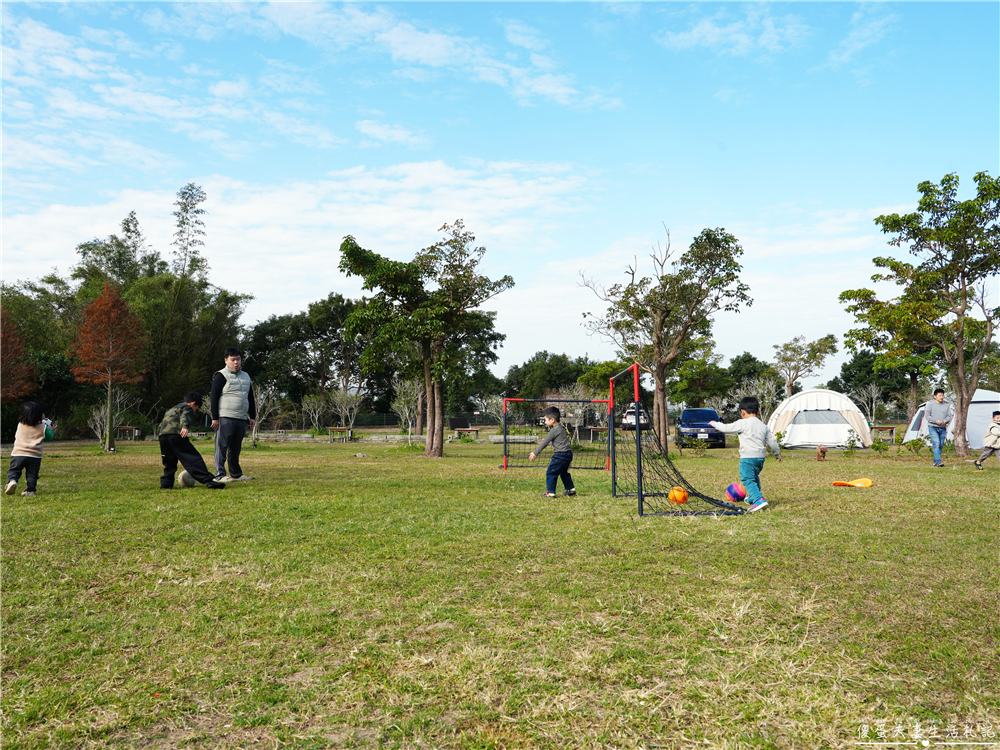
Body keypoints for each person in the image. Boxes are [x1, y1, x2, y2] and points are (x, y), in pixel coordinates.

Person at [709, 396, 782, 513]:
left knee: (747, 479)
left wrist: (714, 423)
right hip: (760, 459)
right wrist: (777, 454)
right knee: (754, 477)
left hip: (747, 458)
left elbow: (726, 428)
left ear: (742, 412)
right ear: (758, 411)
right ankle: (753, 497)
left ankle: (759, 499)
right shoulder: (763, 426)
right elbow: (772, 442)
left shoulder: (742, 423)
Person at [159, 392, 225, 490]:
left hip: (163, 436)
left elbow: (162, 423)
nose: (195, 411)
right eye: (196, 408)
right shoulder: (187, 407)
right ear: (193, 404)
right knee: (192, 458)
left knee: (169, 462)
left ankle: (166, 484)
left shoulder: (172, 409)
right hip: (176, 435)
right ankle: (208, 480)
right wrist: (184, 427)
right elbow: (185, 416)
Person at [210, 346, 256, 482]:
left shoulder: (246, 376)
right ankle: (220, 475)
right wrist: (215, 418)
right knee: (222, 446)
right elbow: (214, 397)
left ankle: (236, 473)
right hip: (225, 416)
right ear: (226, 360)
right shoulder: (221, 376)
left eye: (238, 359)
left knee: (236, 447)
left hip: (241, 417)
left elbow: (251, 397)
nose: (236, 362)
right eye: (233, 360)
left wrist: (252, 416)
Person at [5, 402, 54, 497]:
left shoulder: (20, 425)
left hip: (18, 454)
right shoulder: (43, 427)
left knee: (14, 470)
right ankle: (30, 491)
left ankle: (12, 481)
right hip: (35, 456)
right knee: (32, 474)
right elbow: (49, 437)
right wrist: (51, 430)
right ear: (39, 415)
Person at [528, 406, 576, 498]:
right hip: (568, 454)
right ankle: (571, 489)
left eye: (546, 420)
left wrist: (535, 453)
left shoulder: (554, 430)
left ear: (552, 420)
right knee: (564, 472)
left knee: (551, 473)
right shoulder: (560, 428)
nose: (545, 423)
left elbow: (544, 443)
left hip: (560, 455)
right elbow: (558, 442)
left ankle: (550, 493)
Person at [924, 389, 954, 468]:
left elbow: (949, 416)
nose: (941, 397)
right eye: (939, 395)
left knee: (940, 445)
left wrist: (945, 421)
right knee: (936, 444)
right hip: (933, 427)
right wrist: (936, 421)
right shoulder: (930, 405)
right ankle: (938, 461)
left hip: (943, 427)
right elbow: (927, 416)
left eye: (942, 395)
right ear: (935, 396)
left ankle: (936, 461)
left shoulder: (946, 406)